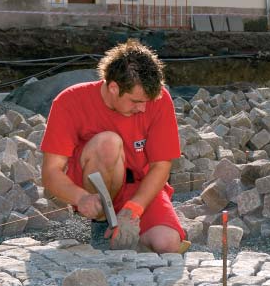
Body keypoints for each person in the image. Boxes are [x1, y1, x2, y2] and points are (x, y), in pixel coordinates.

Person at [40, 39, 186, 254]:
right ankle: (101, 223)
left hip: (140, 188)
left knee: (167, 244)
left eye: (148, 100)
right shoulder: (69, 101)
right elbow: (51, 172)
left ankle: (124, 240)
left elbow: (161, 166)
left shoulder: (160, 100)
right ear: (113, 87)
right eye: (136, 101)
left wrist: (134, 208)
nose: (143, 108)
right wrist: (81, 198)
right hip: (93, 189)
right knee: (108, 143)